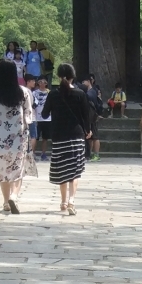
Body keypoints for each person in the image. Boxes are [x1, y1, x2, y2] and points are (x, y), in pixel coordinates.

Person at [0, 57, 34, 214]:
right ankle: (14, 196)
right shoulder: (23, 92)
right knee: (18, 168)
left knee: (2, 170)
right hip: (18, 137)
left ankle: (5, 201)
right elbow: (28, 116)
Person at [39, 62, 91, 215]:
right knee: (75, 171)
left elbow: (44, 114)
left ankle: (62, 201)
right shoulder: (80, 94)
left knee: (62, 169)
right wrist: (88, 131)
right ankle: (71, 201)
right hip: (76, 136)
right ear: (73, 76)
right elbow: (86, 116)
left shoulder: (53, 94)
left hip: (58, 136)